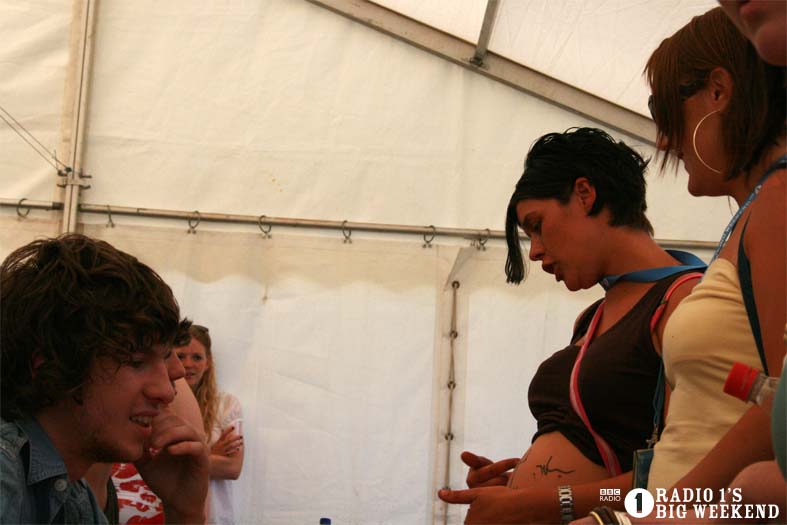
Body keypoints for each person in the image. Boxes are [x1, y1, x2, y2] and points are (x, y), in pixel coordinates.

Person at [438, 127, 704, 523]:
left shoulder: (684, 301)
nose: (535, 252)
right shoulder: (590, 318)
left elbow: (686, 479)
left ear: (584, 194)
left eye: (538, 225)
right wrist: (516, 488)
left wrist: (537, 502)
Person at [0, 234, 209, 525]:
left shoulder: (71, 492)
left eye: (163, 358)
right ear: (51, 366)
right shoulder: (6, 475)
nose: (166, 391)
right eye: (136, 361)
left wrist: (185, 513)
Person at [177, 324, 244, 525]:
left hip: (215, 518)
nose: (188, 364)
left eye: (197, 357)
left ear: (208, 363)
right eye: (180, 356)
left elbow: (233, 468)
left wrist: (190, 459)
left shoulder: (227, 405)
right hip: (170, 514)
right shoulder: (160, 405)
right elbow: (159, 466)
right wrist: (211, 452)